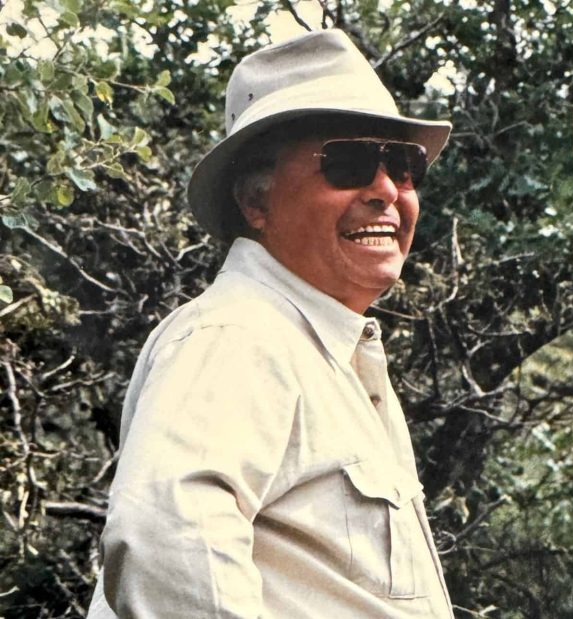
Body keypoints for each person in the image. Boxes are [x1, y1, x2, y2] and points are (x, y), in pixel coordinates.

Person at [86, 28, 453, 618]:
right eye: (350, 163)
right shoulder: (239, 337)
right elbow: (168, 548)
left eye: (404, 166)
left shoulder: (319, 349)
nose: (386, 190)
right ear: (255, 202)